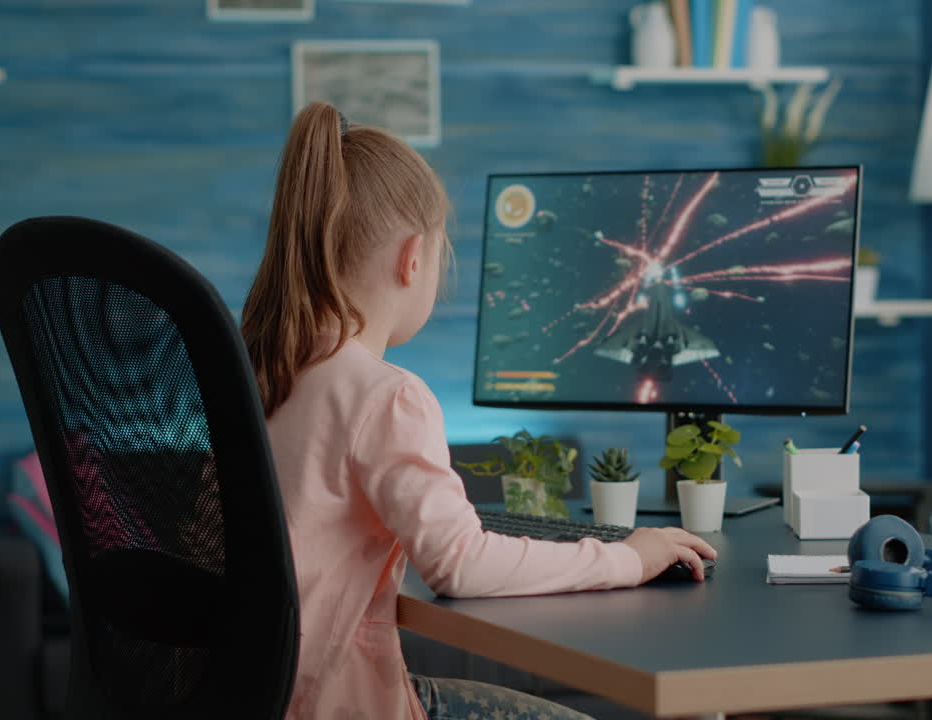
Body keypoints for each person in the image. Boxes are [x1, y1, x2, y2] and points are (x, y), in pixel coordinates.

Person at [241, 101, 717, 720]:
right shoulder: (387, 395)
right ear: (413, 259)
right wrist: (631, 556)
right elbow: (458, 563)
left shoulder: (266, 370)